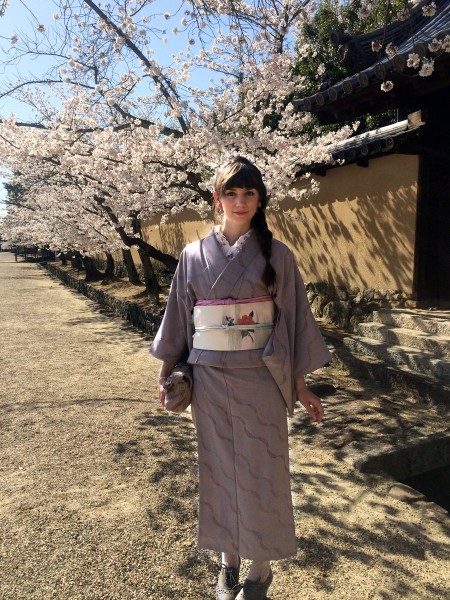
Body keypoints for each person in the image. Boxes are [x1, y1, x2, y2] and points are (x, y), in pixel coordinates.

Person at [150, 156, 330, 600]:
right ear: (217, 199)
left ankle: (261, 568)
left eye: (249, 193)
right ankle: (227, 563)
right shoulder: (192, 256)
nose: (240, 201)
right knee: (218, 470)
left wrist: (301, 385)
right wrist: (167, 372)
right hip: (210, 382)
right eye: (231, 193)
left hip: (262, 379)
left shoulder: (278, 255)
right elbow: (179, 319)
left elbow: (293, 322)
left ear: (260, 199)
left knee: (264, 470)